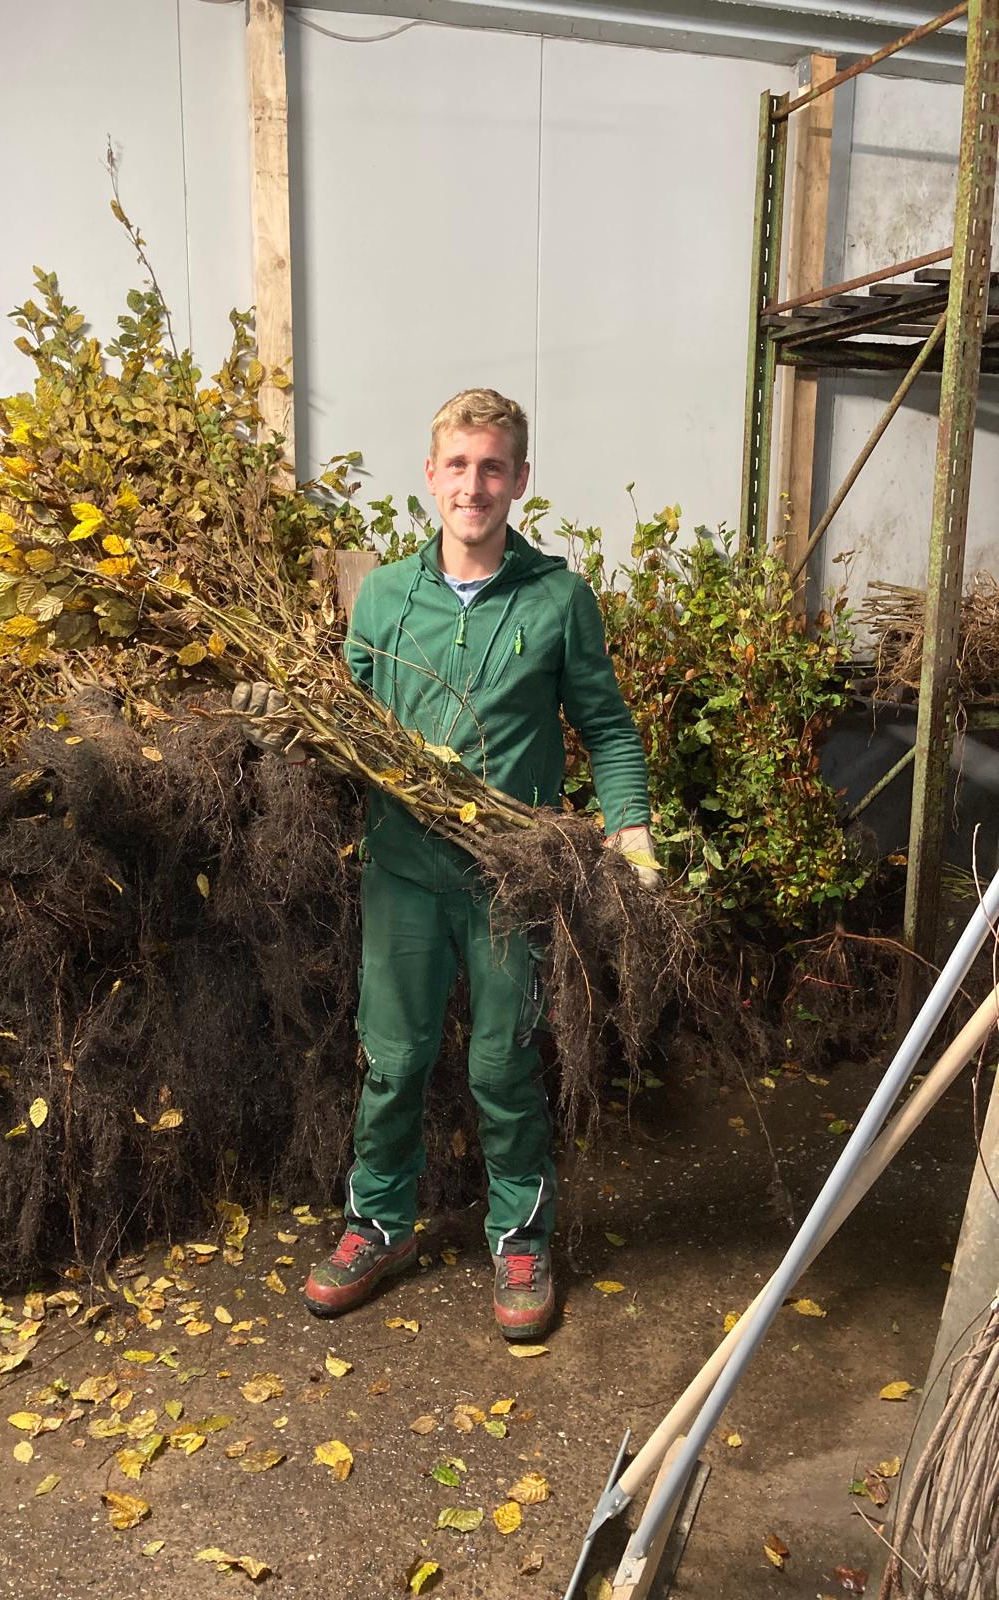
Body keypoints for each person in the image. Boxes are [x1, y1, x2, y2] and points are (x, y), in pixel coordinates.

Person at [240, 389, 657, 1340]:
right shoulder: (385, 595)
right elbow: (346, 726)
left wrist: (631, 831)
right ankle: (378, 1223)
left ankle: (519, 1234)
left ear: (520, 479)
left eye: (495, 466)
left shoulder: (558, 600)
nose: (476, 484)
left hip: (514, 876)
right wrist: (287, 721)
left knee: (505, 1064)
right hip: (404, 872)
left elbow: (607, 728)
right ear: (431, 477)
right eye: (459, 465)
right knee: (393, 1060)